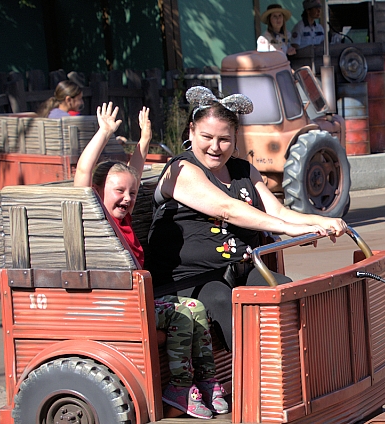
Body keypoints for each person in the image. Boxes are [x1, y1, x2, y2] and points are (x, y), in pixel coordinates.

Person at [144, 86, 345, 355]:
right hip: (190, 279)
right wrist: (291, 230)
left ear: (235, 137)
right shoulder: (181, 170)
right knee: (222, 300)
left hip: (240, 270)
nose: (215, 147)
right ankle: (255, 385)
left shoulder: (243, 170)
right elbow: (227, 208)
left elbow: (278, 212)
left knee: (287, 292)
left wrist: (318, 222)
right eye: (207, 137)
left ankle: (303, 371)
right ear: (191, 132)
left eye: (224, 139)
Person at [75, 102, 228, 419]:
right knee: (189, 308)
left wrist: (145, 138)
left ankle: (206, 381)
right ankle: (180, 387)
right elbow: (83, 173)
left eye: (131, 194)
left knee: (195, 310)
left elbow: (134, 173)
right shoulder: (95, 217)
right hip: (117, 305)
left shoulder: (127, 219)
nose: (127, 198)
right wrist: (104, 133)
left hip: (140, 299)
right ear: (97, 192)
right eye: (119, 192)